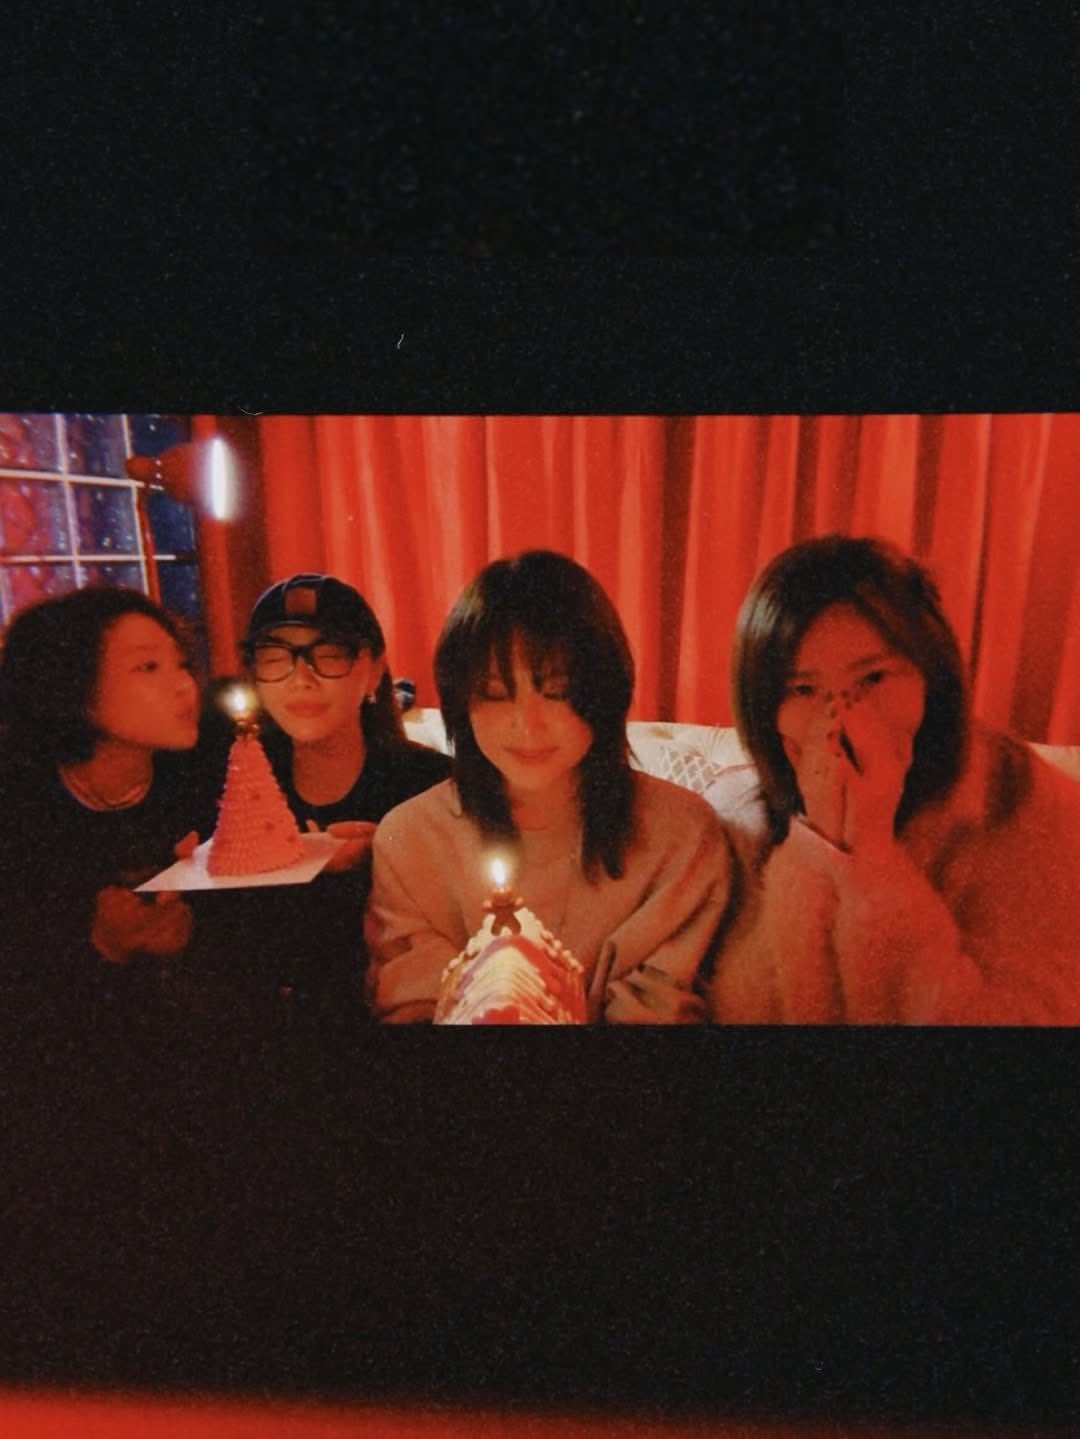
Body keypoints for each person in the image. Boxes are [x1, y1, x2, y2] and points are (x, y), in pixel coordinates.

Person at [704, 534, 1080, 1025]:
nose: (841, 718)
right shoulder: (736, 817)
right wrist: (818, 848)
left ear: (930, 675)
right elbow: (740, 1017)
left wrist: (875, 857)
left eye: (873, 679)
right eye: (804, 689)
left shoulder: (1029, 807)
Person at [365, 550, 731, 1023]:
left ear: (604, 691)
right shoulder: (410, 839)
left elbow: (659, 1013)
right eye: (496, 693)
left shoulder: (680, 835)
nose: (527, 724)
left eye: (557, 691)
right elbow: (414, 1009)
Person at [197, 573, 450, 1028]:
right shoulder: (234, 782)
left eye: (329, 655)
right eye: (275, 658)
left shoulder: (429, 786)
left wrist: (391, 854)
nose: (301, 678)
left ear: (374, 668)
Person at [0, 586, 215, 1041]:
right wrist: (103, 946)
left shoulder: (208, 780)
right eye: (148, 667)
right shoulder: (19, 809)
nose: (184, 685)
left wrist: (192, 932)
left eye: (181, 663)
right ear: (71, 685)